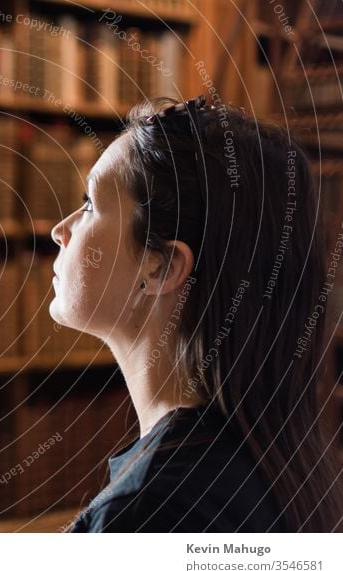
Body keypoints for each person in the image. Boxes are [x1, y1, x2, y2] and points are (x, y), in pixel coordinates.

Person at [50, 96, 343, 532]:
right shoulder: (280, 460)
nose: (60, 230)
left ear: (162, 267)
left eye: (90, 204)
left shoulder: (146, 513)